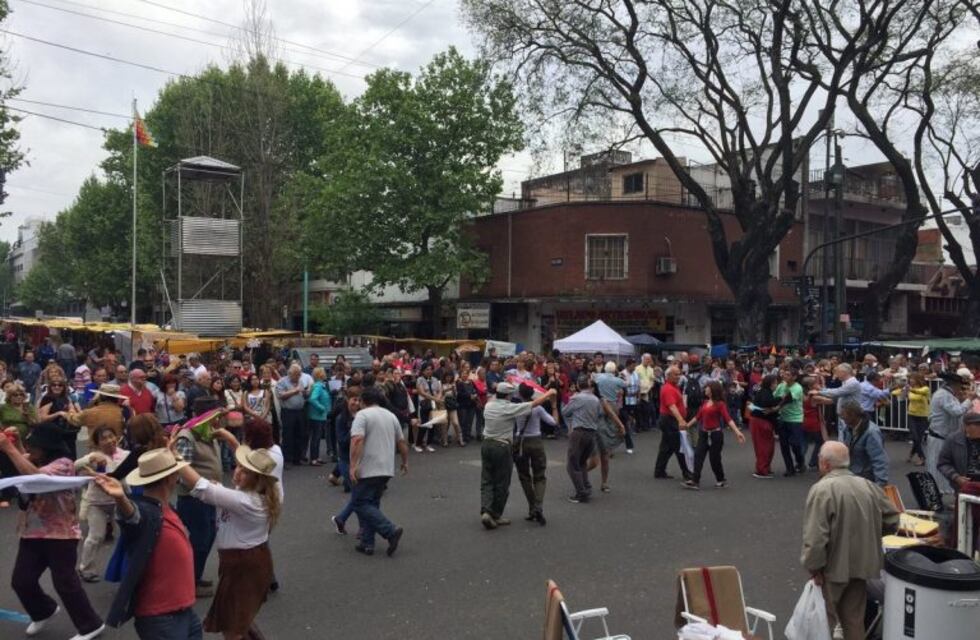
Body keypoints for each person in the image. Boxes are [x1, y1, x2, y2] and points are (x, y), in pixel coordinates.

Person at [0, 422, 106, 640]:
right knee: (22, 580)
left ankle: (91, 625)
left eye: (34, 445)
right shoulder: (37, 460)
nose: (31, 449)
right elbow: (26, 464)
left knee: (65, 583)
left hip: (61, 534)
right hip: (33, 532)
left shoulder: (65, 464)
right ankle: (43, 611)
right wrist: (18, 445)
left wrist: (9, 449)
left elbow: (36, 478)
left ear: (47, 447)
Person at [175, 434, 280, 639]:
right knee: (239, 620)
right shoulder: (253, 493)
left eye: (245, 471)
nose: (238, 472)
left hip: (244, 565)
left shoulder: (246, 500)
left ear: (257, 479)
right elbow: (238, 458)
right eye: (239, 467)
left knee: (232, 628)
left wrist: (175, 457)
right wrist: (228, 438)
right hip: (243, 563)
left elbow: (201, 485)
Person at [96, 448, 201, 639]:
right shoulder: (146, 511)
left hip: (184, 610)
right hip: (161, 617)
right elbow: (133, 517)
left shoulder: (165, 508)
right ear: (171, 478)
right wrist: (121, 499)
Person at [801, 441, 899, 640]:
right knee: (854, 620)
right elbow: (893, 519)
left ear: (825, 464)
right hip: (862, 565)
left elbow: (816, 537)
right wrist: (872, 534)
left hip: (832, 567)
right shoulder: (868, 485)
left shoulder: (822, 489)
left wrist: (814, 568)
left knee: (824, 621)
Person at [480, 381, 555, 527]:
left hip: (486, 444)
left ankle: (486, 511)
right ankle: (496, 514)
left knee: (487, 480)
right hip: (502, 445)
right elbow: (534, 405)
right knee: (502, 482)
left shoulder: (488, 405)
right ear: (508, 395)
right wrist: (549, 394)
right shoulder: (510, 408)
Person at [348, 386, 408, 555]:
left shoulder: (362, 415)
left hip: (368, 466)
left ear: (364, 401)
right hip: (386, 467)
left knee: (359, 503)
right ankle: (367, 543)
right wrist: (405, 461)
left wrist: (353, 465)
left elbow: (357, 440)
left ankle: (390, 530)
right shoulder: (391, 416)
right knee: (372, 503)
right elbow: (402, 442)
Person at [173, 399, 224, 597]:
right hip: (194, 499)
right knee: (200, 541)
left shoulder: (207, 433)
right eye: (215, 417)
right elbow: (181, 472)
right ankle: (189, 582)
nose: (219, 421)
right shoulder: (187, 437)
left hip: (210, 497)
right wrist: (203, 486)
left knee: (209, 536)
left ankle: (196, 575)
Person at [74, 426, 129, 582]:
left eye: (111, 436)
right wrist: (89, 460)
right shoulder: (93, 456)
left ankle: (129, 569)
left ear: (116, 437)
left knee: (130, 534)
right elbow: (75, 466)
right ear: (97, 443)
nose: (108, 441)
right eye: (103, 438)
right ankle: (86, 568)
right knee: (96, 536)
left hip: (120, 502)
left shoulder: (125, 455)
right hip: (96, 502)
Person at [682, 380, 745, 490]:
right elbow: (698, 417)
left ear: (712, 390)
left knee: (714, 459)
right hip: (704, 433)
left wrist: (737, 432)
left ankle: (721, 480)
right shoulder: (705, 403)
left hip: (716, 435)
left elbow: (728, 419)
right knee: (698, 456)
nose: (705, 389)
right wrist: (686, 426)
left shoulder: (720, 404)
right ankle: (695, 481)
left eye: (707, 387)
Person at [513, 383, 556, 525]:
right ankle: (538, 505)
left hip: (520, 442)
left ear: (520, 394)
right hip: (536, 441)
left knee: (524, 476)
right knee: (540, 476)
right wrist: (554, 406)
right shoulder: (538, 408)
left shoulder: (516, 408)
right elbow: (553, 422)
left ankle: (532, 507)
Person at [938, 411, 980, 552]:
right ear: (966, 426)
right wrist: (956, 477)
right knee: (964, 522)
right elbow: (943, 463)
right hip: (963, 487)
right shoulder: (953, 439)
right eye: (973, 427)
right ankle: (962, 550)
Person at [927, 369, 974, 495]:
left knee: (943, 467)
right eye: (960, 386)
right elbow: (957, 412)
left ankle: (940, 495)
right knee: (937, 468)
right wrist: (969, 400)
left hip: (943, 436)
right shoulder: (943, 395)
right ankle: (935, 497)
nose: (961, 388)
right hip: (938, 437)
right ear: (954, 384)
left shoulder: (947, 395)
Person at [563, 374, 602, 503]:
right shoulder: (595, 399)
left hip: (579, 432)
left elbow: (565, 412)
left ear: (578, 385)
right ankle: (586, 487)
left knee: (572, 464)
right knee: (582, 462)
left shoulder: (576, 398)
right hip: (591, 433)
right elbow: (600, 415)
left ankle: (581, 492)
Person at [837, 399, 889, 486]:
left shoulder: (871, 433)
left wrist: (880, 485)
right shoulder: (849, 428)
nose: (842, 417)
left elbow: (879, 460)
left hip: (866, 479)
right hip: (853, 475)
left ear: (853, 414)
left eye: (843, 414)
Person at [653, 366, 692, 480]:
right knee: (679, 447)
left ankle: (659, 471)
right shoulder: (668, 388)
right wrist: (681, 420)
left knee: (666, 447)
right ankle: (686, 472)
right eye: (675, 374)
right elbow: (672, 407)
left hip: (669, 420)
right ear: (668, 376)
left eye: (679, 374)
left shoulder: (673, 387)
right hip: (670, 420)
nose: (678, 376)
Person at [276, 364, 310, 466]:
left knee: (299, 434)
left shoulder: (300, 381)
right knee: (288, 435)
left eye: (299, 374)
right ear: (290, 374)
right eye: (296, 374)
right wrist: (294, 391)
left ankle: (297, 458)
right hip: (288, 412)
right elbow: (281, 395)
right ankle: (287, 459)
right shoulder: (282, 381)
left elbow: (303, 393)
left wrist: (305, 392)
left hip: (300, 411)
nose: (298, 376)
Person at [775, 367, 806, 476]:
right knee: (784, 445)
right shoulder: (781, 386)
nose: (785, 376)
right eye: (784, 374)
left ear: (794, 377)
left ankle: (800, 462)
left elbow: (787, 399)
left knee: (795, 444)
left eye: (788, 375)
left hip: (795, 419)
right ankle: (790, 468)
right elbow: (774, 397)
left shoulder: (797, 387)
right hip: (783, 418)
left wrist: (777, 407)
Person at [749, 374, 781, 478]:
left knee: (767, 446)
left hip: (760, 421)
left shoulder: (765, 391)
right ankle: (761, 470)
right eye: (775, 383)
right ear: (771, 383)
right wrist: (780, 399)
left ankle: (765, 468)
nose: (776, 385)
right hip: (761, 421)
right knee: (764, 447)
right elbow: (766, 403)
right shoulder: (765, 392)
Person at [901, 372, 930, 466]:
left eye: (912, 379)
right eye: (910, 379)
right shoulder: (910, 389)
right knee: (915, 437)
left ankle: (911, 454)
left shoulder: (925, 389)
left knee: (918, 438)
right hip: (911, 415)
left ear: (918, 379)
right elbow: (900, 396)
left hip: (923, 416)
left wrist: (910, 389)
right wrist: (902, 390)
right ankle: (922, 457)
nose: (910, 381)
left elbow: (919, 392)